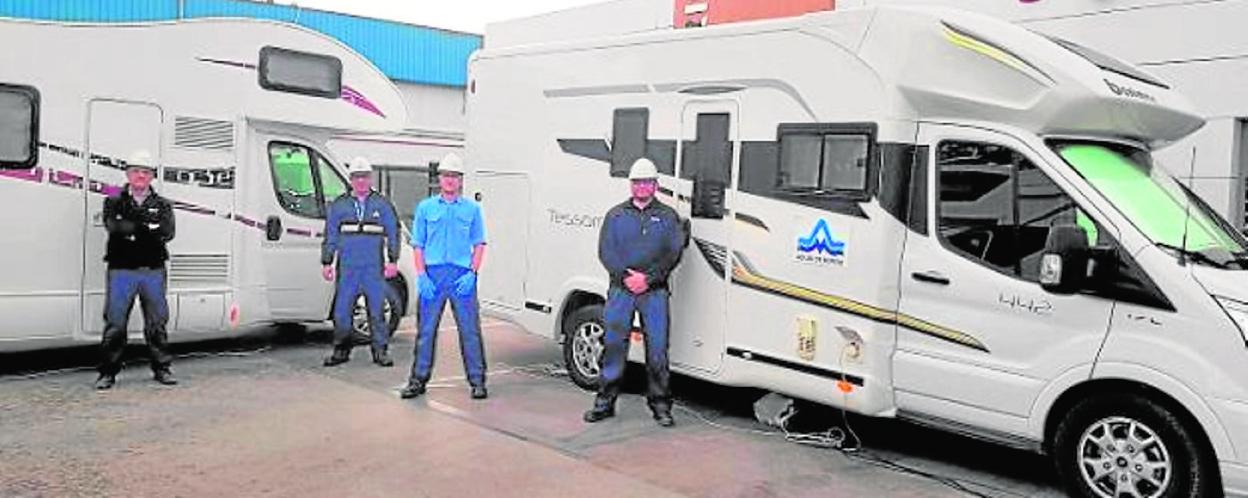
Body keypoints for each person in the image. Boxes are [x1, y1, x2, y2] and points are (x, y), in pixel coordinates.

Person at [583, 158, 685, 427]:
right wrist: (626, 278)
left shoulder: (668, 217)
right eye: (637, 182)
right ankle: (604, 403)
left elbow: (673, 253)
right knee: (614, 346)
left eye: (647, 182)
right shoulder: (615, 215)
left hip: (654, 292)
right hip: (621, 291)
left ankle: (661, 405)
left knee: (658, 350)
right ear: (631, 185)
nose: (642, 187)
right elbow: (606, 251)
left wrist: (649, 279)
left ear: (656, 185)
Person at [400, 152, 489, 400]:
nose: (450, 180)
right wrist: (421, 275)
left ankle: (477, 381)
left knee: (470, 330)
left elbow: (479, 244)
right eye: (446, 175)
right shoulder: (425, 208)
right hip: (433, 274)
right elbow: (418, 245)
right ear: (440, 179)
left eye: (455, 176)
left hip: (462, 275)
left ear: (461, 180)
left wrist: (472, 273)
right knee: (426, 331)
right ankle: (417, 380)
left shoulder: (472, 209)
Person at [96, 150, 177, 390]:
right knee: (115, 325)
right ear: (128, 174)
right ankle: (107, 373)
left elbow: (167, 233)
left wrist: (133, 229)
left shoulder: (163, 205)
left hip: (153, 271)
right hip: (121, 271)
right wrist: (147, 228)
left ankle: (162, 368)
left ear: (152, 176)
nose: (140, 176)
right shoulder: (113, 201)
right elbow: (114, 227)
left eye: (145, 172)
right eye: (136, 171)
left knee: (156, 324)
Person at [321, 157, 401, 367]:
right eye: (357, 178)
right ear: (351, 180)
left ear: (370, 178)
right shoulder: (340, 205)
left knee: (376, 310)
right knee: (342, 311)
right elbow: (330, 234)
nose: (361, 182)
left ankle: (380, 351)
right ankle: (341, 350)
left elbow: (393, 232)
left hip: (373, 267)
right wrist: (327, 261)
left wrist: (393, 260)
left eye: (364, 177)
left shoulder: (382, 204)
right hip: (347, 267)